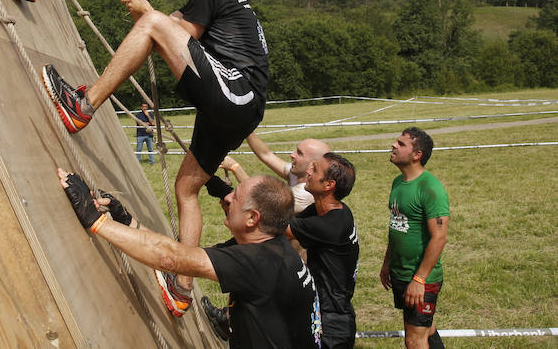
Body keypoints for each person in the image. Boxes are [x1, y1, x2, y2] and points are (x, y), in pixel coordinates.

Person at [43, 0, 269, 316]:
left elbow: (167, 30)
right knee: (186, 189)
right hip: (239, 106)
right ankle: (181, 288)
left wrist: (150, 18)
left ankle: (83, 105)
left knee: (153, 25)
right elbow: (165, 24)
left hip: (236, 91)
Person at [58, 168, 321, 347]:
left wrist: (96, 221)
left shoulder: (258, 263)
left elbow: (170, 258)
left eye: (236, 196)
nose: (227, 197)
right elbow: (183, 255)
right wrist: (125, 219)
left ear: (253, 219)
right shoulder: (270, 248)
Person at [380, 128, 449, 349]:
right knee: (425, 330)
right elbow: (397, 226)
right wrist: (387, 263)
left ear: (416, 154)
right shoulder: (398, 183)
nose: (393, 145)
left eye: (401, 144)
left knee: (414, 340)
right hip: (401, 272)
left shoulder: (431, 188)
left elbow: (439, 238)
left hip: (420, 278)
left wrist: (419, 280)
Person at [288, 153, 360, 349]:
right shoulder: (328, 210)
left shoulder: (330, 224)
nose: (308, 172)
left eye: (315, 169)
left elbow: (275, 230)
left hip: (332, 323)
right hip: (323, 311)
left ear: (328, 185)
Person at [222, 136, 331, 215]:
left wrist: (234, 167)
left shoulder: (306, 194)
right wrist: (247, 128)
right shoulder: (299, 174)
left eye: (299, 153)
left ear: (313, 164)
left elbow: (260, 199)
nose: (292, 155)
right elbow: (266, 154)